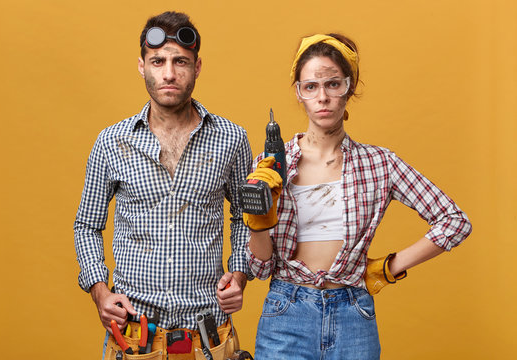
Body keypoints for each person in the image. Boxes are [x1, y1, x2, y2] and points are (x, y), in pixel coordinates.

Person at [244, 33, 472, 359]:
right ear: (299, 93)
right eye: (311, 87)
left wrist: (392, 266)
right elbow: (261, 268)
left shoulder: (379, 163)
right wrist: (259, 222)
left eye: (333, 84)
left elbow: (454, 221)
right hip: (286, 313)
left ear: (349, 88)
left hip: (353, 314)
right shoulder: (271, 165)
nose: (322, 97)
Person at [74, 11, 252, 359]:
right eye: (158, 61)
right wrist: (99, 291)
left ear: (197, 67)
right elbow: (87, 224)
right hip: (135, 337)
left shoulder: (232, 138)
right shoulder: (112, 142)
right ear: (142, 65)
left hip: (208, 336)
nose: (169, 73)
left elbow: (246, 217)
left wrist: (240, 272)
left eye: (180, 61)